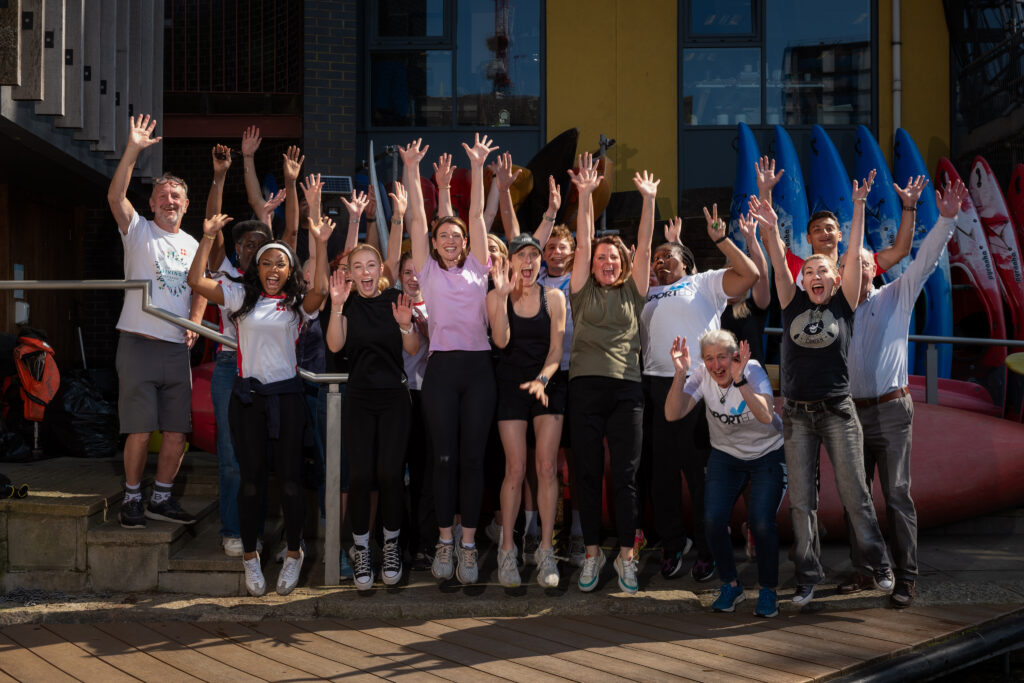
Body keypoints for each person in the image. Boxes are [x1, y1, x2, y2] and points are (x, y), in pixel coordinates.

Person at [748, 171, 894, 606]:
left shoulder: (844, 304)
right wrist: (767, 210)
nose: (814, 275)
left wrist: (859, 205)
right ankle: (808, 576)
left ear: (835, 279)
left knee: (855, 493)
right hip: (796, 414)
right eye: (808, 270)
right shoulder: (791, 299)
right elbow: (777, 259)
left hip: (837, 410)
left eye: (822, 272)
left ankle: (880, 564)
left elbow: (852, 249)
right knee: (802, 502)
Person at [186, 212, 334, 597]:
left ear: (289, 270)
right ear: (256, 266)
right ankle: (250, 557)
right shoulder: (239, 296)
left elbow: (322, 290)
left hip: (286, 397)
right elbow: (195, 281)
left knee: (289, 482)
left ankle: (294, 554)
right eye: (266, 261)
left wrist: (320, 242)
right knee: (250, 484)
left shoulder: (296, 303)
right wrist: (206, 238)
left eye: (280, 263)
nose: (272, 268)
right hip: (248, 397)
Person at [840, 178, 965, 608]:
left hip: (892, 410)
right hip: (850, 414)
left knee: (896, 494)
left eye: (863, 262)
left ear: (874, 267)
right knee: (855, 498)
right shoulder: (835, 311)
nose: (856, 268)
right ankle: (864, 570)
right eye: (848, 264)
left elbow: (925, 259)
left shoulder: (898, 293)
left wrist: (944, 218)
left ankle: (906, 577)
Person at [639, 208, 759, 582]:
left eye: (668, 257)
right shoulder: (645, 288)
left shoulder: (704, 282)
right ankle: (673, 544)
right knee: (662, 475)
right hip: (654, 386)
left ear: (687, 263)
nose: (660, 263)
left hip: (699, 385)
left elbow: (750, 275)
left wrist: (722, 240)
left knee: (700, 473)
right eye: (656, 259)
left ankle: (710, 548)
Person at [403, 135, 498, 585]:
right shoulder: (425, 271)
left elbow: (477, 214)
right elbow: (418, 217)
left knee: (474, 461)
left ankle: (468, 544)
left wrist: (477, 167)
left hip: (479, 371)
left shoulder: (480, 267)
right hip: (440, 371)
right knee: (443, 459)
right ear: (434, 242)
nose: (448, 240)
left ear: (464, 242)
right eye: (442, 235)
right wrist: (411, 167)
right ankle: (444, 540)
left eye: (454, 235)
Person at [107, 114, 207, 530]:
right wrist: (133, 148)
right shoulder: (138, 231)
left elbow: (201, 286)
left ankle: (161, 498)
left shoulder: (192, 243)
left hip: (175, 348)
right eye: (163, 196)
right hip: (139, 342)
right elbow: (115, 197)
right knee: (138, 429)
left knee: (176, 432)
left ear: (186, 204)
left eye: (177, 197)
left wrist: (196, 323)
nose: (170, 202)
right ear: (152, 203)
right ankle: (132, 497)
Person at [568, 153, 656, 595]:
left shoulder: (634, 292)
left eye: (612, 258)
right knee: (585, 473)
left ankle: (626, 555)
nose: (606, 262)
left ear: (622, 263)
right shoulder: (581, 293)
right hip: (583, 388)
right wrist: (585, 196)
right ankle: (590, 554)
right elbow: (582, 243)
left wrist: (648, 201)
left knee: (624, 476)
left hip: (627, 390)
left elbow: (644, 243)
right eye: (601, 257)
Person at [665, 331, 787, 618]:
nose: (716, 365)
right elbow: (673, 413)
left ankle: (768, 590)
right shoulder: (701, 375)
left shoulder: (753, 370)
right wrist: (680, 374)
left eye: (722, 357)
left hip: (767, 453)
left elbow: (767, 416)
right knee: (712, 520)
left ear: (735, 356)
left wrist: (740, 379)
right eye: (709, 358)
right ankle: (731, 585)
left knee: (760, 522)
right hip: (726, 456)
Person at [325, 238, 419, 590]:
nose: (364, 272)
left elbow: (412, 348)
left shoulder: (395, 300)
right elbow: (335, 346)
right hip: (360, 399)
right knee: (362, 477)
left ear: (380, 270)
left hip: (395, 397)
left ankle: (391, 545)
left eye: (370, 266)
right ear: (348, 274)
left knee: (390, 475)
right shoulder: (345, 303)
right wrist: (335, 306)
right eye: (357, 267)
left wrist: (407, 324)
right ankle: (361, 548)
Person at [203, 141, 274, 556]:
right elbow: (212, 225)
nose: (250, 250)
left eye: (257, 245)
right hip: (230, 365)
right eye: (244, 244)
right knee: (231, 454)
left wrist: (287, 184)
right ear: (236, 249)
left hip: (269, 368)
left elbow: (286, 229)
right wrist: (219, 174)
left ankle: (257, 529)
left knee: (260, 457)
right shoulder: (228, 272)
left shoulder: (275, 273)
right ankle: (233, 528)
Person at [488, 233, 567, 588]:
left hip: (546, 385)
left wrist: (542, 380)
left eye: (534, 255)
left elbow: (555, 351)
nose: (529, 261)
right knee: (515, 469)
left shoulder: (555, 297)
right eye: (522, 255)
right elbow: (501, 341)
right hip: (510, 386)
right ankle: (508, 550)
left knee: (547, 466)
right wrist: (503, 297)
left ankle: (546, 551)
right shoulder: (496, 296)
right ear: (511, 262)